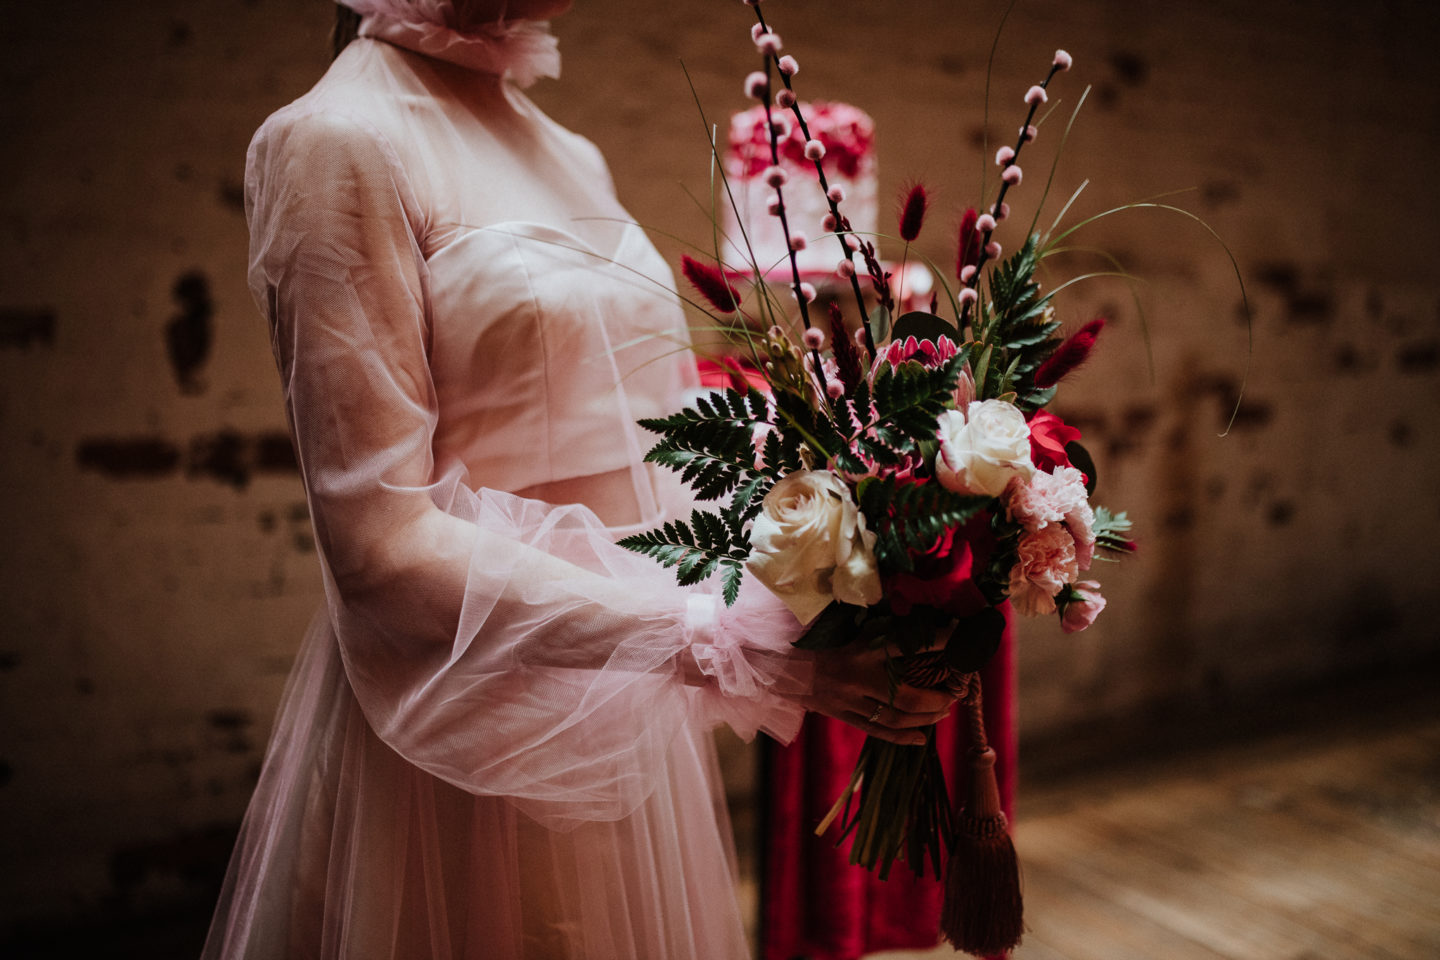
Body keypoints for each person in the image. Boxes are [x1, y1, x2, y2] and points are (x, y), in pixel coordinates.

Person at [201, 2, 959, 958]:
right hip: (458, 751)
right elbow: (379, 549)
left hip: (623, 723)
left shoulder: (569, 150)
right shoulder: (332, 141)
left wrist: (847, 514)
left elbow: (645, 448)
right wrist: (708, 638)